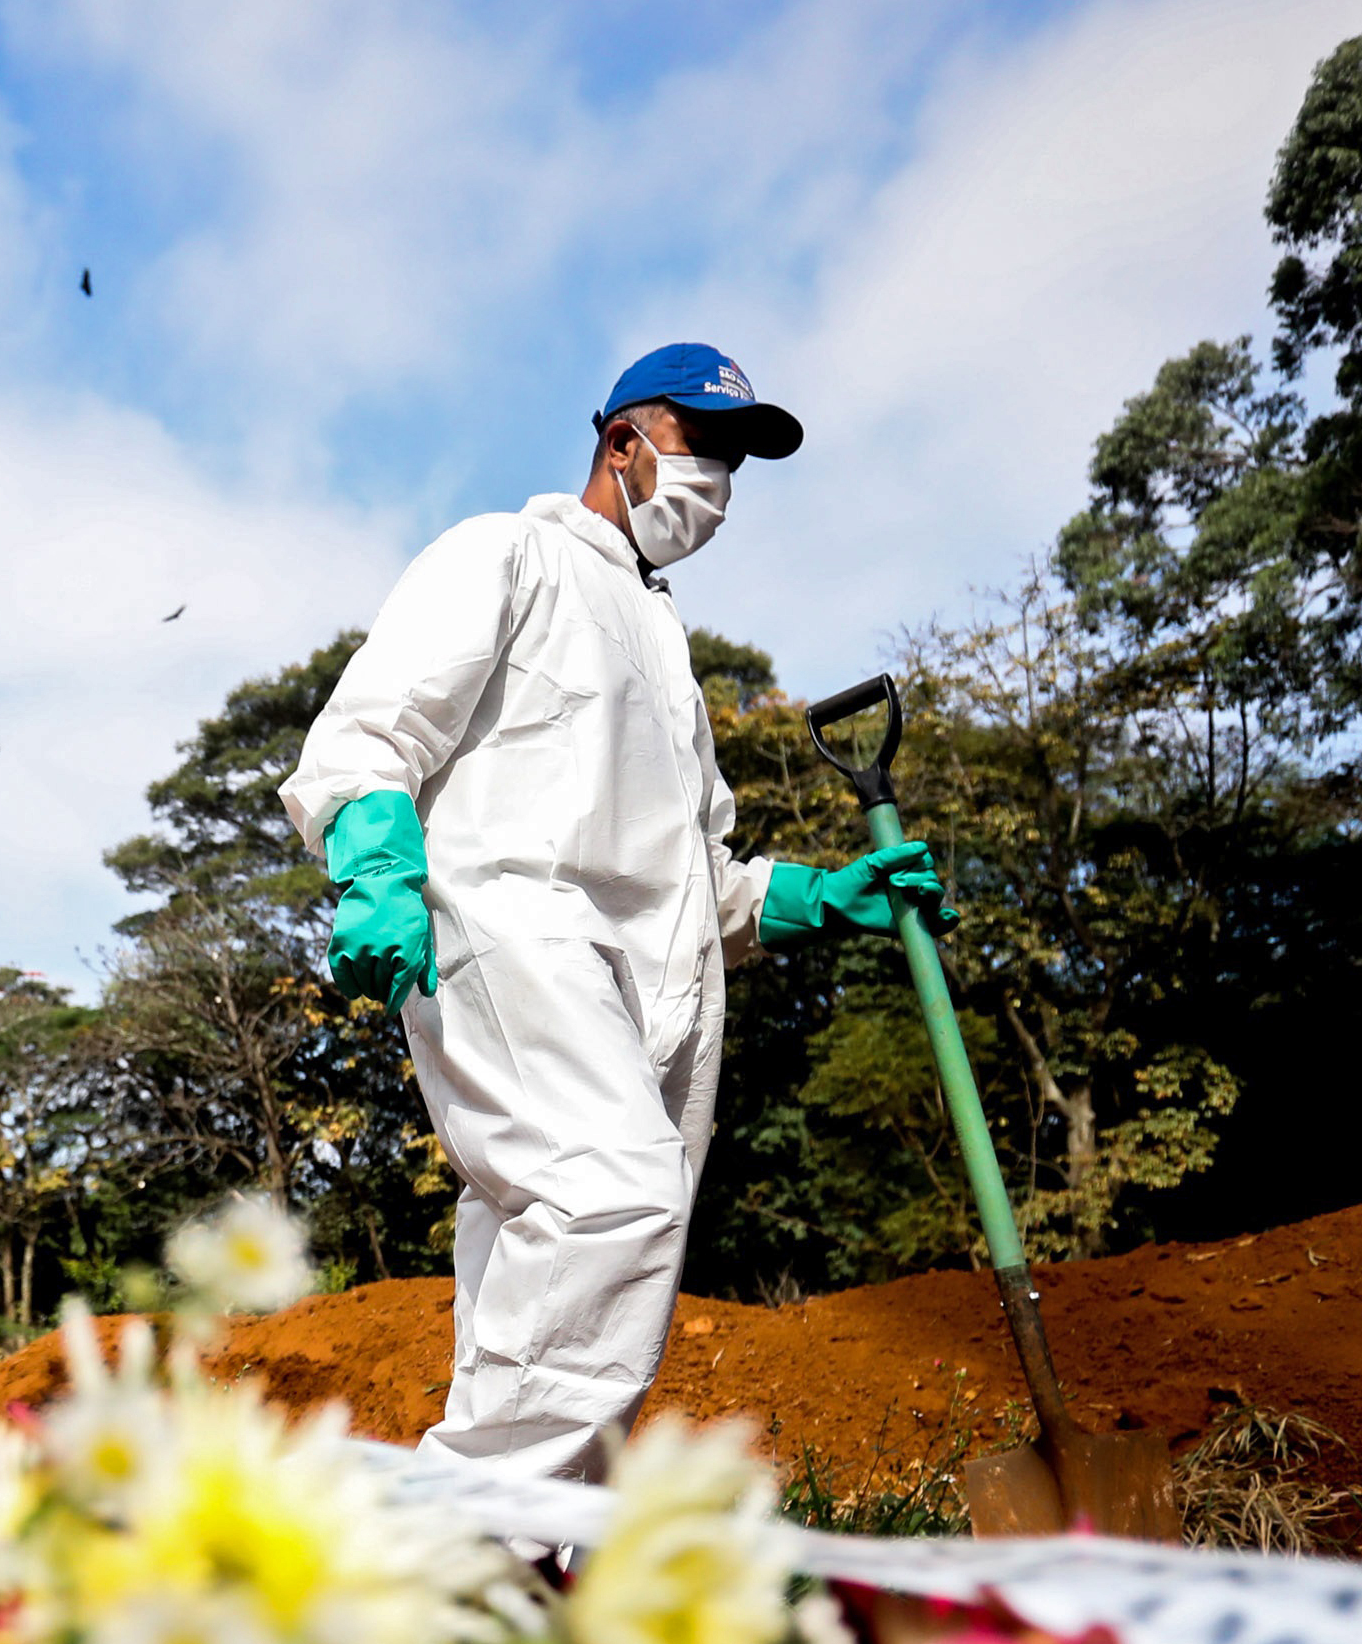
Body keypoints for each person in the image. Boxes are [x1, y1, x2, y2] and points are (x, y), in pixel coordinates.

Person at [277, 344, 948, 1483]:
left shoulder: (664, 644)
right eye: (704, 442)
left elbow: (700, 872)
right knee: (609, 1195)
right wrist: (377, 868)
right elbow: (371, 728)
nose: (722, 478)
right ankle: (464, 1541)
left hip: (655, 989)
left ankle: (540, 1575)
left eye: (738, 457)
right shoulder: (507, 552)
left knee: (559, 1263)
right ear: (621, 441)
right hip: (511, 924)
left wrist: (819, 898)